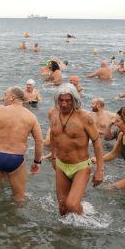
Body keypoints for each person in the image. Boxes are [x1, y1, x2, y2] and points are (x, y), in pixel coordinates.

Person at [46, 84, 105, 216]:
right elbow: (53, 136)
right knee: (62, 207)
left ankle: (86, 219)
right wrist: (54, 157)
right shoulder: (52, 113)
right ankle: (65, 235)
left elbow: (96, 142)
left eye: (68, 100)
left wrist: (100, 170)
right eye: (61, 100)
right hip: (61, 165)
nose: (64, 104)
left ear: (74, 101)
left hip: (81, 166)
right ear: (57, 100)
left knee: (71, 204)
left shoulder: (84, 117)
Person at [0, 87, 43, 203]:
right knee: (19, 197)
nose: (3, 98)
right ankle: (15, 220)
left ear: (12, 97)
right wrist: (36, 162)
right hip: (15, 158)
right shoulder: (31, 116)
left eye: (5, 95)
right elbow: (39, 141)